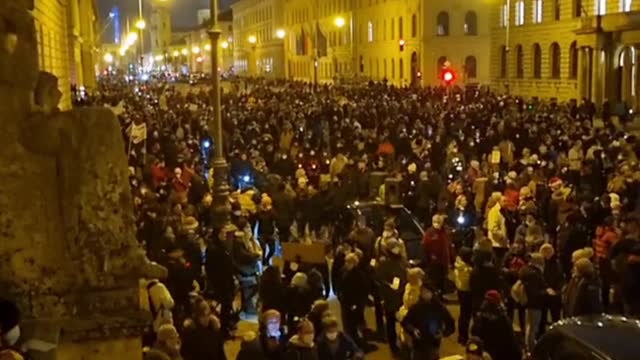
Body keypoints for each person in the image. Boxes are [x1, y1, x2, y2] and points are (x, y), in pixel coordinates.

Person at [401, 285, 455, 360]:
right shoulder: (416, 307)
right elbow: (405, 322)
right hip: (418, 345)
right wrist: (413, 330)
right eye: (423, 291)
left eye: (427, 291)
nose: (425, 294)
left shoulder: (439, 307)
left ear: (432, 293)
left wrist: (443, 333)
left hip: (433, 344)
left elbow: (450, 323)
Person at [375, 238, 407, 355]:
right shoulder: (384, 263)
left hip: (402, 297)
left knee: (404, 321)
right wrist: (389, 285)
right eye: (393, 247)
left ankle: (405, 343)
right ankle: (393, 347)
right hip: (390, 299)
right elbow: (379, 279)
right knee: (391, 324)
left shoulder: (402, 260)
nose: (396, 249)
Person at [471, 291, 522, 360]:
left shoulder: (479, 319)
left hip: (486, 353)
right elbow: (511, 341)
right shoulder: (503, 319)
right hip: (502, 355)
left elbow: (474, 335)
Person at [519, 253, 553, 352]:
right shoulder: (533, 274)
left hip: (529, 303)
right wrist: (546, 292)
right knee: (532, 328)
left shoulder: (526, 270)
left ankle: (528, 346)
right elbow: (534, 292)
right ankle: (531, 349)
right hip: (534, 304)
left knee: (529, 325)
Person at [423, 214, 453, 298]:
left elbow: (448, 246)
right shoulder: (429, 233)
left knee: (442, 281)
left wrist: (451, 258)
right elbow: (425, 247)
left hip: (443, 261)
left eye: (439, 222)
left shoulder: (444, 232)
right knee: (434, 281)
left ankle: (441, 296)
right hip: (434, 263)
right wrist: (429, 259)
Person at [454, 247, 473, 345]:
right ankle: (464, 336)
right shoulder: (466, 269)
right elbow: (469, 279)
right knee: (466, 315)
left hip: (460, 290)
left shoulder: (458, 265)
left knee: (463, 314)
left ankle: (461, 336)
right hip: (467, 292)